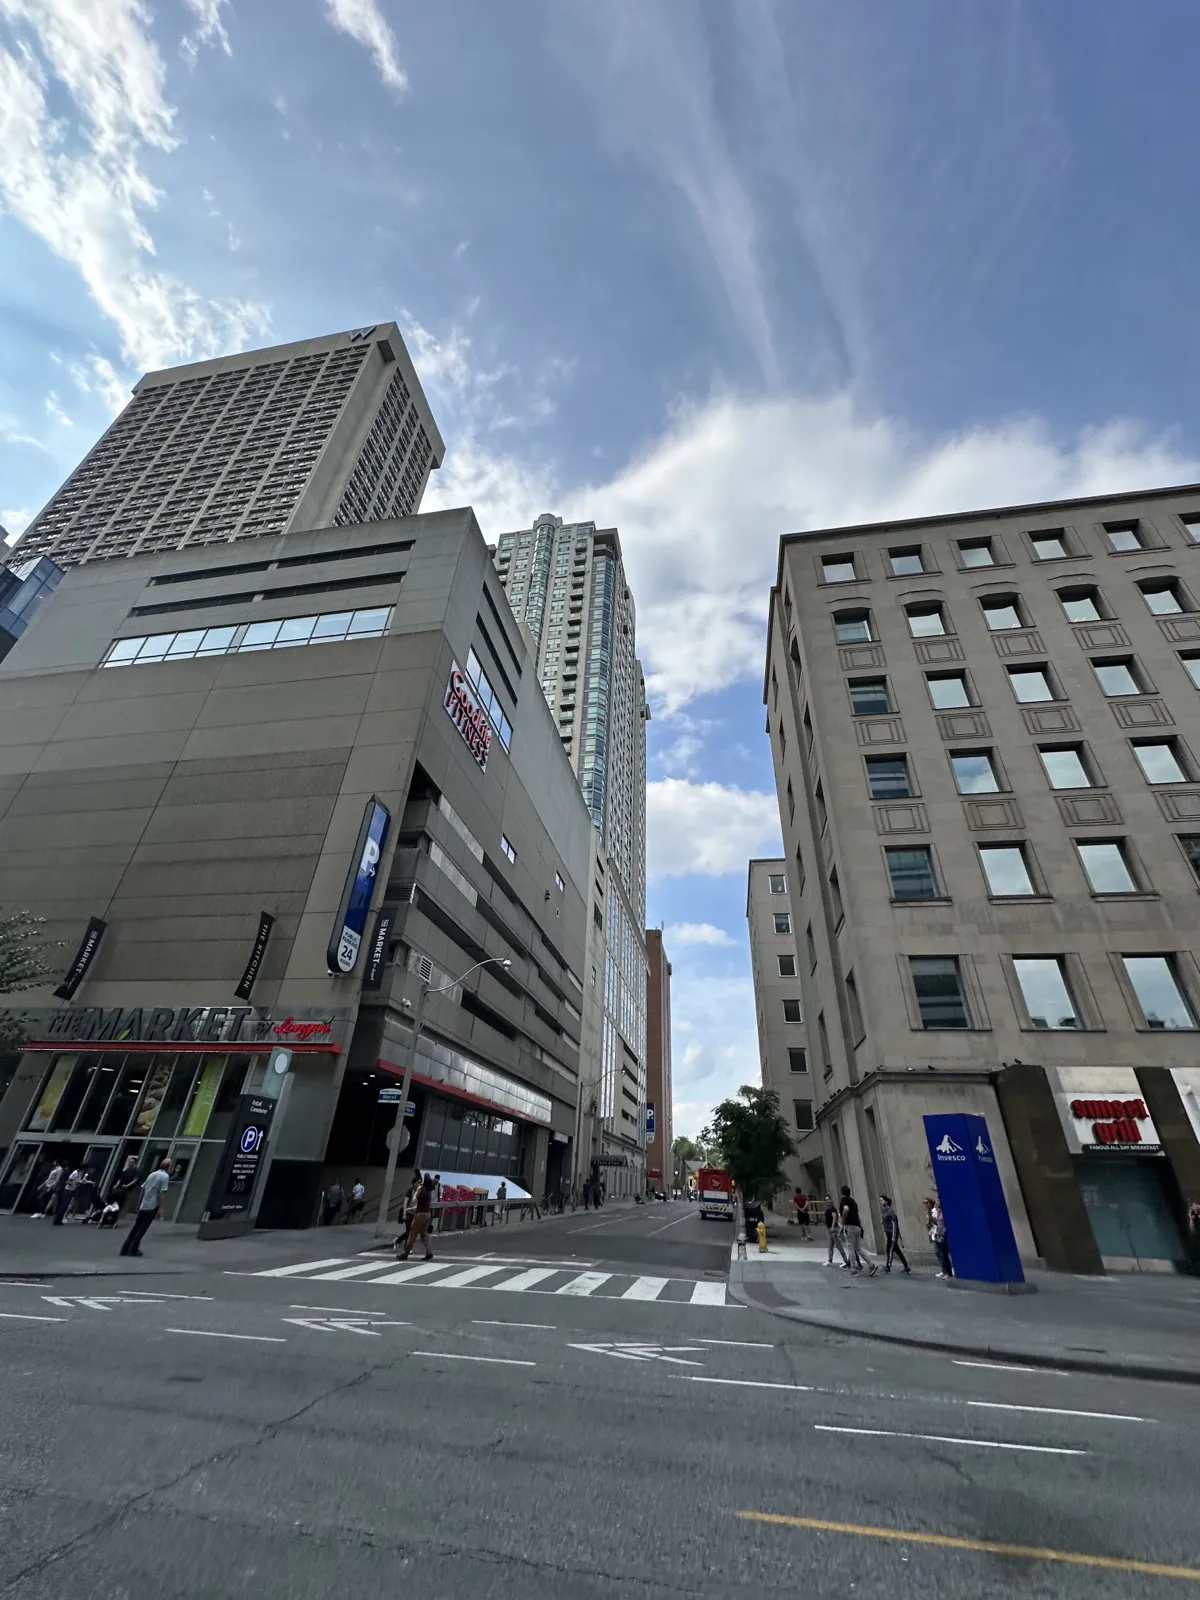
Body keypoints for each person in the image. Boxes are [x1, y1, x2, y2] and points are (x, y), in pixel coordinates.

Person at [119, 1158, 172, 1257]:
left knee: (136, 1227)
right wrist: (161, 1208)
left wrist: (140, 1202)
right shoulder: (165, 1177)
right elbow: (161, 1193)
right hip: (152, 1205)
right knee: (142, 1229)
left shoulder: (152, 1174)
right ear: (168, 1167)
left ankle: (125, 1248)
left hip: (144, 1204)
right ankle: (133, 1249)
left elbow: (143, 1189)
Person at [840, 1185, 877, 1276]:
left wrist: (842, 1222)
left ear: (842, 1192)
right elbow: (857, 1214)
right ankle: (871, 1263)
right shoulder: (853, 1202)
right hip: (857, 1226)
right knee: (858, 1248)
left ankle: (853, 1268)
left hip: (850, 1226)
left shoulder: (844, 1200)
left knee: (850, 1247)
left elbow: (845, 1209)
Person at [398, 1173, 435, 1261]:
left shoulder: (422, 1191)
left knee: (412, 1234)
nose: (420, 1182)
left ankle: (405, 1254)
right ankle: (429, 1253)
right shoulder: (429, 1191)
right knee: (424, 1235)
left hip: (420, 1215)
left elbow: (414, 1199)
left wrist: (418, 1189)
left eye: (421, 1181)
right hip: (427, 1214)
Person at [879, 1195, 911, 1274]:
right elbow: (885, 1219)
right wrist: (883, 1221)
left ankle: (888, 1267)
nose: (881, 1202)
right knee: (897, 1251)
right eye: (880, 1200)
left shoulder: (890, 1211)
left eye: (882, 1200)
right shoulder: (884, 1210)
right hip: (888, 1233)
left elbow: (894, 1223)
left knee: (889, 1250)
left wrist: (893, 1236)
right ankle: (906, 1266)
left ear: (886, 1201)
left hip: (892, 1233)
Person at [928, 1196, 953, 1278]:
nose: (936, 1202)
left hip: (944, 1235)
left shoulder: (944, 1212)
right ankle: (948, 1272)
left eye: (938, 1200)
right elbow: (938, 1223)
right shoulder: (938, 1212)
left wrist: (944, 1232)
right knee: (944, 1254)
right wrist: (931, 1219)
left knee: (946, 1253)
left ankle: (950, 1270)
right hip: (940, 1236)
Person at [823, 1193, 848, 1267]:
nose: (827, 1201)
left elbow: (834, 1218)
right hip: (830, 1229)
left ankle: (846, 1260)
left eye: (828, 1199)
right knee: (830, 1245)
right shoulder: (827, 1209)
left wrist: (833, 1227)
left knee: (839, 1245)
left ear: (831, 1200)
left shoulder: (832, 1209)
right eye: (826, 1200)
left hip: (833, 1229)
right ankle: (830, 1260)